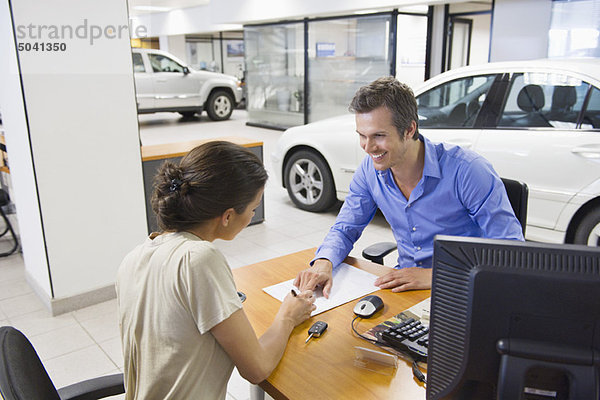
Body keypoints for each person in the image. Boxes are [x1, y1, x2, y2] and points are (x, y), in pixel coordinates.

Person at [116, 141, 315, 400]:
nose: (253, 215)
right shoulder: (199, 259)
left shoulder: (135, 256)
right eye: (253, 208)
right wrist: (288, 316)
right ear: (228, 216)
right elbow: (257, 369)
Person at [294, 77, 524, 296]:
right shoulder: (370, 170)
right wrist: (324, 263)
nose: (368, 147)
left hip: (462, 285)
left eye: (379, 135)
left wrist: (433, 276)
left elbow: (511, 253)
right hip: (405, 286)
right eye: (362, 136)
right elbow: (345, 227)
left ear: (409, 129)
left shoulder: (468, 171)